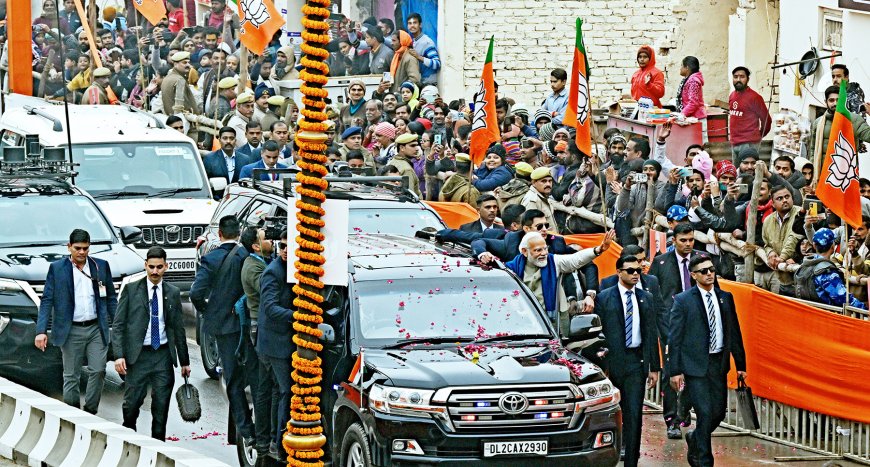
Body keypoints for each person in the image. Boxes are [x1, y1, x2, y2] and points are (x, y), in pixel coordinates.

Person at [668, 254, 747, 467]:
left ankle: (695, 438)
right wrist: (674, 370)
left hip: (718, 364)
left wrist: (741, 365)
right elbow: (674, 338)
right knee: (703, 412)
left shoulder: (725, 297)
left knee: (717, 413)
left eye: (711, 269)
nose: (709, 274)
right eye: (704, 271)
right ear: (693, 275)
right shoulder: (684, 300)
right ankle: (704, 461)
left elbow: (734, 332)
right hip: (695, 366)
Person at [189, 216, 256, 449]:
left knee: (233, 380)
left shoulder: (211, 259)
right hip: (247, 325)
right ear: (239, 233)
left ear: (219, 234)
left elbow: (196, 294)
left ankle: (245, 429)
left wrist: (210, 312)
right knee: (252, 374)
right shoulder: (246, 257)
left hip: (224, 329)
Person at [35, 229, 117, 414]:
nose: (81, 252)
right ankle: (73, 415)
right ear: (69, 247)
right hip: (71, 330)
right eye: (77, 248)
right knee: (71, 376)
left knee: (98, 370)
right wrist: (41, 331)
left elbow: (111, 298)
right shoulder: (57, 269)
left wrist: (120, 325)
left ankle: (90, 411)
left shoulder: (100, 267)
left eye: (85, 248)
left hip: (96, 328)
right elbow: (47, 300)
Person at [112, 247, 191, 440]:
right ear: (145, 266)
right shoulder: (131, 290)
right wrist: (118, 355)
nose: (155, 272)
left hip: (162, 356)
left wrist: (185, 362)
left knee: (161, 407)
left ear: (166, 266)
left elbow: (178, 328)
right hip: (138, 356)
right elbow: (119, 325)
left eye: (159, 267)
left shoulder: (172, 293)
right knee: (131, 404)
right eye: (151, 267)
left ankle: (158, 447)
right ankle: (129, 439)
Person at [596, 254, 660, 467]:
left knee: (634, 415)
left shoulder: (646, 297)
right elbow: (598, 334)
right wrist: (601, 365)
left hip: (636, 362)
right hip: (612, 364)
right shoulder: (605, 297)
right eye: (630, 270)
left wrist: (654, 366)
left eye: (638, 271)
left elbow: (651, 332)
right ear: (619, 272)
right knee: (610, 414)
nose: (635, 274)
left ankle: (631, 460)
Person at [647, 223, 706, 438]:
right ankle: (671, 419)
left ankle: (685, 408)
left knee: (695, 370)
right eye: (683, 240)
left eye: (691, 240)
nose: (688, 244)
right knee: (671, 371)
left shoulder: (702, 260)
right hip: (670, 326)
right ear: (674, 241)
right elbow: (651, 292)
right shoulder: (661, 263)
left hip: (697, 325)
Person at [505, 231, 613, 333]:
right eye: (538, 250)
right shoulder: (510, 269)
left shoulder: (553, 261)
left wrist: (598, 250)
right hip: (523, 324)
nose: (544, 253)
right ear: (525, 251)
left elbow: (575, 259)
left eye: (545, 249)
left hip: (552, 325)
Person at [257, 230, 295, 460]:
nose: (285, 251)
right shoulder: (273, 272)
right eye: (282, 247)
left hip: (278, 341)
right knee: (285, 391)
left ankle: (273, 437)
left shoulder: (290, 269)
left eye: (289, 247)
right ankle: (279, 442)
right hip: (275, 344)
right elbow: (270, 308)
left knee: (276, 391)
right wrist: (298, 316)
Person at [239, 227, 276, 457]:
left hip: (263, 326)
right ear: (255, 246)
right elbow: (268, 289)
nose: (271, 241)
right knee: (267, 384)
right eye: (266, 238)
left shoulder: (261, 261)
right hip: (259, 328)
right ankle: (265, 438)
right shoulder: (253, 267)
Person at [795, 228, 866, 309]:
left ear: (814, 245)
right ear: (833, 246)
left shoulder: (803, 266)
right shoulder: (827, 271)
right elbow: (845, 299)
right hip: (825, 317)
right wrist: (865, 310)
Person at [807, 85, 870, 165]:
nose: (835, 103)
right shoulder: (817, 123)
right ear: (825, 102)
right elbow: (813, 149)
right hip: (822, 173)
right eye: (831, 100)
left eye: (838, 100)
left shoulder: (854, 120)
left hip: (846, 173)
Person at [758, 185, 801, 293]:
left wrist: (782, 258)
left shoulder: (800, 214)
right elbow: (766, 244)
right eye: (780, 198)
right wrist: (770, 253)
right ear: (772, 203)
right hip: (782, 279)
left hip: (799, 281)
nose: (785, 200)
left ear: (792, 198)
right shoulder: (768, 220)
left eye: (787, 196)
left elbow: (795, 238)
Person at [728, 66, 772, 157]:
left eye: (742, 77)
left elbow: (767, 120)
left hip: (749, 144)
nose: (738, 80)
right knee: (737, 171)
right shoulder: (732, 95)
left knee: (749, 170)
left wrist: (758, 136)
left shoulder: (755, 97)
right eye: (735, 77)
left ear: (748, 79)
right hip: (734, 143)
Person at [406, 13, 440, 86]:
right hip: (419, 83)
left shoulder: (426, 42)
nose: (412, 25)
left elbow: (437, 64)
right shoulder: (413, 41)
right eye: (410, 23)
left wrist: (419, 57)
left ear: (420, 25)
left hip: (429, 84)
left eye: (415, 23)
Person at [676, 56, 706, 138]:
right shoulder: (688, 79)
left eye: (681, 66)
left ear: (687, 68)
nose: (680, 68)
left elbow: (693, 102)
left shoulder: (693, 81)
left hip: (696, 119)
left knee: (698, 147)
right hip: (691, 118)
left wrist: (682, 114)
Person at [521, 167, 559, 232]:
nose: (548, 184)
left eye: (550, 181)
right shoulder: (532, 200)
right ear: (533, 183)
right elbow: (531, 229)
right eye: (543, 181)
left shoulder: (543, 196)